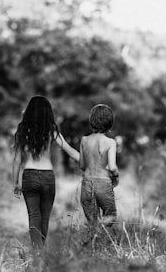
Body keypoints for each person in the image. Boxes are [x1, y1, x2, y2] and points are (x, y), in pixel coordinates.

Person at [12, 95, 80, 248]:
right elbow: (71, 151)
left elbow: (17, 160)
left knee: (34, 216)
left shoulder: (22, 131)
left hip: (29, 176)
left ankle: (38, 252)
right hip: (48, 177)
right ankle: (39, 251)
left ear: (28, 112)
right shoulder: (51, 131)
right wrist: (90, 162)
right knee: (44, 218)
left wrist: (15, 183)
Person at [79, 103, 119, 230]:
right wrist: (116, 177)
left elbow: (82, 165)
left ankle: (93, 239)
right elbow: (112, 167)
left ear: (92, 121)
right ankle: (99, 228)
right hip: (103, 182)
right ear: (109, 122)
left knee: (92, 219)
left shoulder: (84, 140)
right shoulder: (110, 142)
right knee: (111, 215)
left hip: (86, 182)